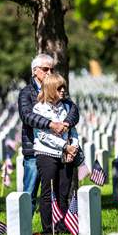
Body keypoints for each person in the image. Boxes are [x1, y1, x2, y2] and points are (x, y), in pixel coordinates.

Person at [18, 54, 79, 215]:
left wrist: (66, 123)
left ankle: (58, 223)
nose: (49, 72)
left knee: (57, 191)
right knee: (30, 193)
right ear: (34, 71)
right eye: (45, 69)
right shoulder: (26, 92)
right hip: (34, 149)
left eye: (52, 69)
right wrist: (51, 124)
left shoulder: (56, 87)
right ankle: (24, 229)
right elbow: (27, 115)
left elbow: (73, 110)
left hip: (57, 150)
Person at [33, 73, 79, 235]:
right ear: (50, 89)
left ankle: (63, 226)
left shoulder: (66, 107)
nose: (63, 90)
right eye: (59, 88)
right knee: (48, 192)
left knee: (63, 191)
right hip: (46, 154)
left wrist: (74, 147)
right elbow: (43, 136)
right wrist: (65, 146)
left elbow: (72, 130)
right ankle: (48, 228)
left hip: (67, 154)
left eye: (63, 87)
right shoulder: (39, 109)